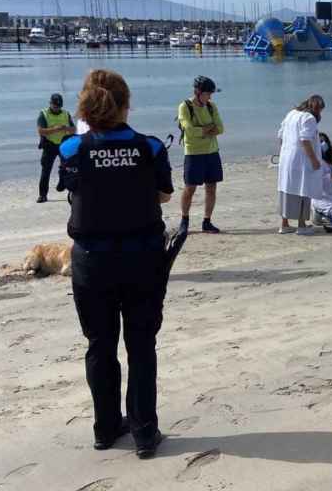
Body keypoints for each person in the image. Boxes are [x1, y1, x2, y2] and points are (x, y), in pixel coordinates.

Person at [57, 69, 174, 459]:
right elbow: (164, 195)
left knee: (100, 344)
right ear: (126, 105)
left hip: (93, 261)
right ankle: (144, 431)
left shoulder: (72, 148)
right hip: (142, 257)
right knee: (141, 345)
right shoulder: (150, 147)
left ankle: (106, 428)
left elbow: (73, 187)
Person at [178, 76, 224, 233]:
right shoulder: (185, 107)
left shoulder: (211, 106)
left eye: (211, 94)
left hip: (212, 152)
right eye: (207, 94)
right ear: (197, 92)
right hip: (193, 153)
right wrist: (209, 128)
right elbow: (189, 131)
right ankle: (184, 220)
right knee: (190, 188)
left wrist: (201, 130)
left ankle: (207, 221)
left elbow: (221, 128)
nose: (210, 97)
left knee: (211, 188)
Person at [277, 95, 325, 235]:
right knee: (304, 189)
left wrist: (283, 153)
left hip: (287, 157)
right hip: (301, 159)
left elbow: (280, 135)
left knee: (286, 188)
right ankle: (302, 225)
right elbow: (305, 140)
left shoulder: (291, 113)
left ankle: (284, 224)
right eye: (320, 110)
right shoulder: (309, 118)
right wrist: (314, 160)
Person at [36, 93, 75, 203]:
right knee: (46, 170)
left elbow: (73, 130)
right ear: (50, 103)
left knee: (68, 167)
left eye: (59, 106)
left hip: (64, 145)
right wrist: (55, 129)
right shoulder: (44, 114)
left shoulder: (66, 114)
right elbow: (41, 131)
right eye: (55, 106)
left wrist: (66, 128)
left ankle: (64, 185)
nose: (57, 108)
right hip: (49, 145)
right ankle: (42, 195)